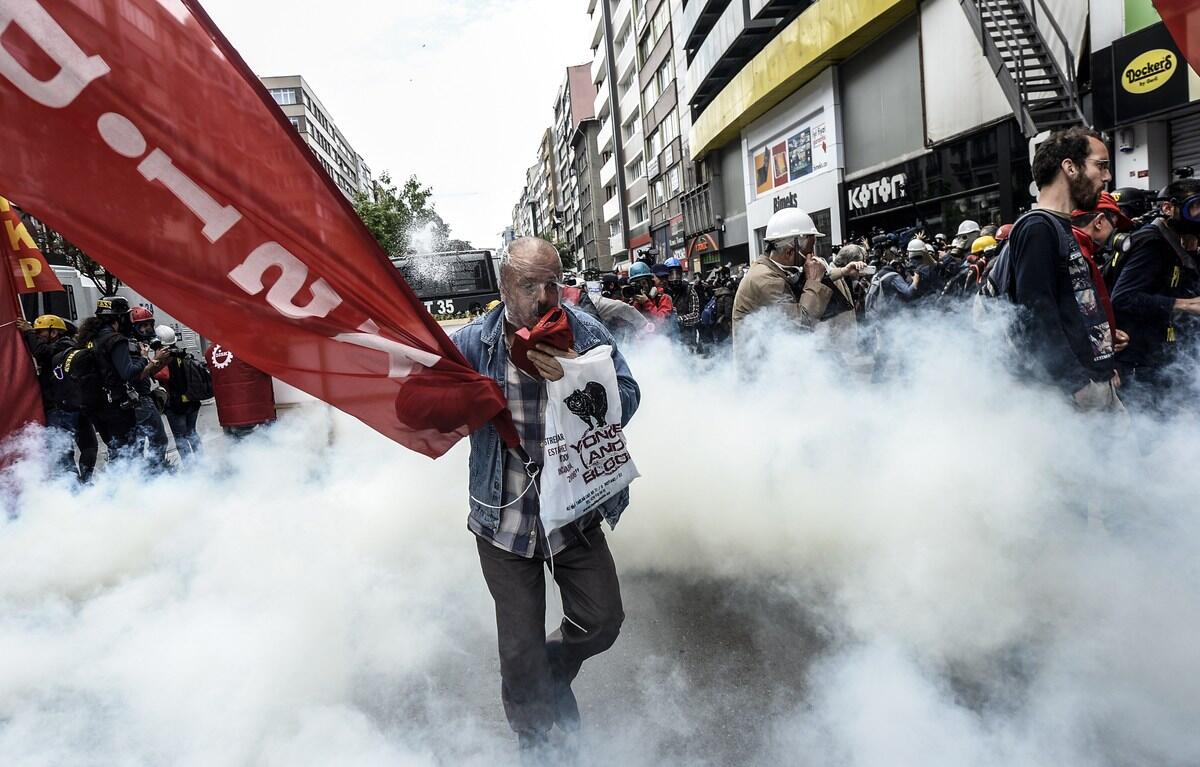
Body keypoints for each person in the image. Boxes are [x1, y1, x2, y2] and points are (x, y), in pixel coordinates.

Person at [451, 237, 639, 757]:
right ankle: (533, 737)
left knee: (601, 620)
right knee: (518, 646)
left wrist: (582, 373)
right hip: (504, 517)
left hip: (573, 513)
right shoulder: (473, 343)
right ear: (504, 285)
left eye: (552, 282)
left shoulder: (583, 330)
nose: (544, 295)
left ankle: (552, 671)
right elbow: (428, 398)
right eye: (529, 284)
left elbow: (630, 396)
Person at [1007, 126, 1125, 409]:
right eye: (1101, 166)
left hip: (1095, 383)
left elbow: (1073, 308)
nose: (1107, 176)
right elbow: (1037, 318)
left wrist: (1104, 356)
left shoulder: (1061, 227)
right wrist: (1077, 386)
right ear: (1070, 167)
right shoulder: (1038, 228)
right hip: (1076, 396)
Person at [1110, 178, 1200, 405]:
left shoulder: (1176, 242)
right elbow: (1123, 298)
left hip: (1162, 357)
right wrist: (1184, 305)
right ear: (1168, 208)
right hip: (1138, 363)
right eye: (1195, 208)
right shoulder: (1152, 242)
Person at [731, 206, 837, 347]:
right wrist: (814, 281)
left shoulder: (770, 270)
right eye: (809, 250)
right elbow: (801, 325)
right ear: (789, 252)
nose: (812, 255)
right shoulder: (767, 279)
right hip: (764, 366)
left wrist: (845, 271)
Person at [17, 314, 83, 477]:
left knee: (61, 453)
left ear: (54, 333)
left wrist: (29, 333)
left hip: (61, 408)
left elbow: (41, 352)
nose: (38, 335)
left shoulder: (63, 345)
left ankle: (72, 488)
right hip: (64, 406)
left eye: (41, 332)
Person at [158, 326, 205, 460]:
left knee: (180, 437)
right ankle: (202, 463)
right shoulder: (183, 354)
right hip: (192, 401)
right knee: (192, 433)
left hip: (175, 404)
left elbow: (162, 375)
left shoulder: (165, 358)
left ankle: (190, 469)